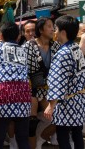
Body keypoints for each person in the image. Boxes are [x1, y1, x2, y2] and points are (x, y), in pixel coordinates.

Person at [44, 15, 85, 149]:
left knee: (63, 135)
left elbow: (58, 81)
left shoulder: (63, 53)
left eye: (56, 29)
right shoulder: (75, 48)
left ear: (63, 32)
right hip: (79, 99)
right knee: (77, 134)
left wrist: (51, 105)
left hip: (67, 101)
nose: (54, 32)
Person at [0, 22, 31, 149]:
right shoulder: (23, 50)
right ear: (19, 36)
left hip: (3, 91)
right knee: (23, 139)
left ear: (0, 35)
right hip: (23, 92)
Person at [24, 17, 60, 148]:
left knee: (59, 118)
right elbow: (25, 69)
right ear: (41, 29)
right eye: (49, 26)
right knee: (31, 123)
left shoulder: (56, 46)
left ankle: (42, 138)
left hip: (50, 89)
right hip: (31, 88)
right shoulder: (28, 46)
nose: (53, 29)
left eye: (53, 26)